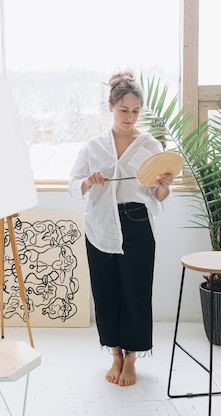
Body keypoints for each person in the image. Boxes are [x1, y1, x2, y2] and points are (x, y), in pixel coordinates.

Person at [68, 70, 173, 387]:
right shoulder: (93, 146)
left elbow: (159, 195)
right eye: (124, 110)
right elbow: (73, 184)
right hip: (101, 225)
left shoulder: (150, 144)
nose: (130, 116)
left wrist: (164, 185)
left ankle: (131, 359)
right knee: (106, 292)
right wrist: (88, 181)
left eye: (136, 110)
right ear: (111, 107)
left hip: (137, 223)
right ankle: (115, 352)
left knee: (136, 293)